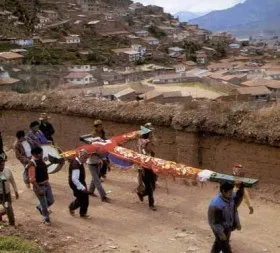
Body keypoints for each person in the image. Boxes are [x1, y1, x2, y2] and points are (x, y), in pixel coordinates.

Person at [28, 146, 64, 225]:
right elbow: (32, 179)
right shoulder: (32, 164)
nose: (41, 154)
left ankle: (39, 206)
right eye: (40, 153)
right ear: (35, 154)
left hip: (46, 184)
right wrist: (39, 189)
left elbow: (44, 168)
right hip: (39, 186)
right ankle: (46, 219)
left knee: (51, 200)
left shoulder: (40, 160)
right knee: (44, 205)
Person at [208, 181, 244, 253]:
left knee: (218, 246)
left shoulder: (230, 197)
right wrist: (221, 233)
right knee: (226, 248)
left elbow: (234, 209)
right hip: (219, 228)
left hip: (227, 226)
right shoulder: (216, 204)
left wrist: (241, 188)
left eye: (232, 192)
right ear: (223, 191)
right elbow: (214, 222)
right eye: (230, 192)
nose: (232, 194)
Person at [136, 128, 157, 211]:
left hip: (152, 171)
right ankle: (151, 204)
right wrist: (140, 173)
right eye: (149, 146)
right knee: (150, 188)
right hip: (145, 172)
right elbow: (140, 164)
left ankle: (141, 194)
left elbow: (154, 162)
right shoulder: (143, 155)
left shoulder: (152, 153)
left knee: (153, 187)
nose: (151, 147)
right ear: (145, 147)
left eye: (151, 145)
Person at [69, 150, 90, 218]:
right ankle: (72, 207)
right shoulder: (76, 164)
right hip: (76, 183)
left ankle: (83, 213)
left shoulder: (78, 161)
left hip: (80, 182)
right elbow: (74, 179)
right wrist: (82, 188)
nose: (86, 160)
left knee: (84, 198)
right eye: (86, 158)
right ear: (81, 157)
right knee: (82, 198)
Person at [0, 153, 19, 226]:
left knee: (9, 209)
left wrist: (16, 191)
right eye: (0, 165)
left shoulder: (7, 171)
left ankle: (12, 224)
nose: (2, 166)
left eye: (3, 164)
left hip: (7, 195)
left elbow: (12, 181)